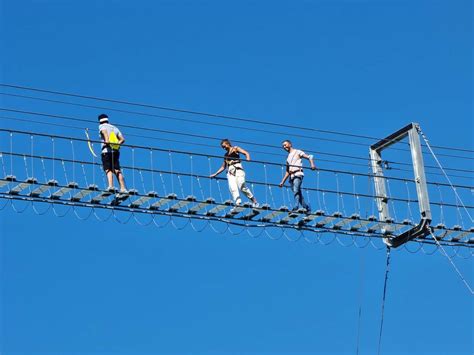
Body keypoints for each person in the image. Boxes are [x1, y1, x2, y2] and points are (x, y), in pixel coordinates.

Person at [210, 139, 259, 208]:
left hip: (238, 169)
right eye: (223, 147)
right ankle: (238, 203)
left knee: (241, 185)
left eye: (224, 146)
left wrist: (248, 158)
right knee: (233, 188)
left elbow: (246, 153)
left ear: (228, 144)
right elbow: (223, 167)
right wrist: (215, 174)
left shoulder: (235, 148)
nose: (224, 148)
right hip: (230, 172)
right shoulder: (225, 155)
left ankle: (254, 200)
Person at [279, 140, 316, 212]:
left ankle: (296, 207)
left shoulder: (297, 152)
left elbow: (310, 157)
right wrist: (282, 182)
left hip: (298, 174)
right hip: (291, 177)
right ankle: (307, 208)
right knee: (298, 194)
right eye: (283, 146)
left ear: (290, 144)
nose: (284, 147)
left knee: (296, 191)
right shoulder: (288, 158)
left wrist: (312, 164)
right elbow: (287, 171)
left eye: (285, 145)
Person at [98, 113, 127, 193]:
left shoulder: (101, 126)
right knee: (117, 169)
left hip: (106, 151)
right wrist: (116, 144)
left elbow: (104, 132)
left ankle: (111, 186)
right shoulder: (114, 127)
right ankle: (123, 188)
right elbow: (122, 139)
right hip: (115, 151)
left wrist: (106, 141)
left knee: (108, 169)